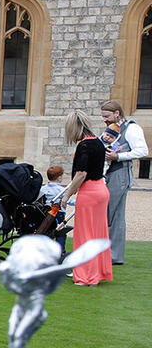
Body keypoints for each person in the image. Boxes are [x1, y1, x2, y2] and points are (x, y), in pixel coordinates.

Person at [61, 110, 113, 286]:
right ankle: (98, 271)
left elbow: (81, 173)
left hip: (89, 192)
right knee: (98, 233)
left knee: (85, 235)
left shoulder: (84, 146)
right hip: (101, 190)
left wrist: (67, 194)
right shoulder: (98, 142)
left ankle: (86, 275)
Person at [98, 100, 147, 266]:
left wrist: (118, 156)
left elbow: (142, 151)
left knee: (115, 215)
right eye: (103, 116)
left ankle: (114, 256)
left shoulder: (132, 128)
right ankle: (105, 252)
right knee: (106, 214)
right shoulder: (111, 129)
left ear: (117, 113)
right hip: (107, 174)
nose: (104, 120)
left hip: (120, 174)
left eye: (107, 116)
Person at [38, 164, 71, 255]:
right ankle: (60, 252)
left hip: (46, 214)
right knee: (60, 233)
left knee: (47, 232)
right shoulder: (61, 190)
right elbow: (68, 200)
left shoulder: (43, 189)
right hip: (58, 214)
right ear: (59, 177)